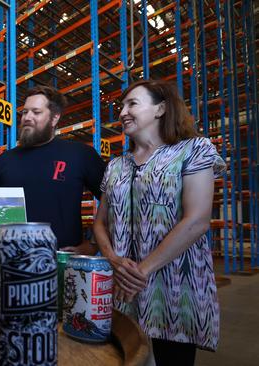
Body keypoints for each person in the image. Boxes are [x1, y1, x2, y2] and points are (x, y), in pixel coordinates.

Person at [93, 79, 224, 365]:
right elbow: (99, 223)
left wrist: (141, 271)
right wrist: (114, 260)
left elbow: (197, 220)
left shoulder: (194, 150)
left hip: (175, 286)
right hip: (122, 285)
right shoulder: (116, 165)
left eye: (132, 104)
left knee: (171, 359)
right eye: (122, 106)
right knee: (123, 355)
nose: (122, 113)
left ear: (160, 109)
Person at [0, 85, 105, 253]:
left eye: (36, 112)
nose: (27, 117)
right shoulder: (5, 160)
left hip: (63, 265)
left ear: (54, 118)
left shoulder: (80, 154)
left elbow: (114, 200)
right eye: (24, 112)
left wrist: (94, 243)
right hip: (12, 263)